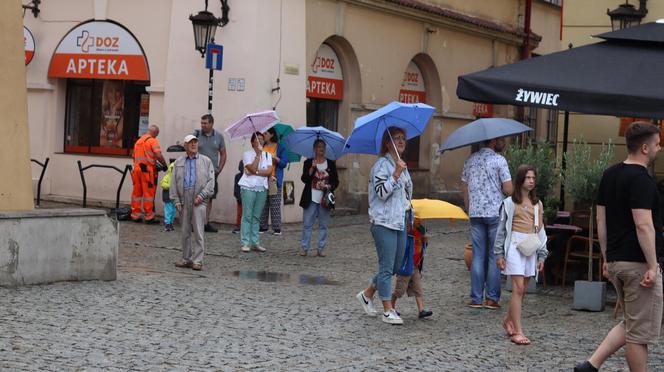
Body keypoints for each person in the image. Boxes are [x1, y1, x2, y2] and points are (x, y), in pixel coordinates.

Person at [575, 122, 663, 372]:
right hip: (638, 265)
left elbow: (601, 220)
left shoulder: (609, 174)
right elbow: (643, 225)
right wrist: (653, 265)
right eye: (657, 144)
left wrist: (607, 257)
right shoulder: (642, 180)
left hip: (616, 262)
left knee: (633, 323)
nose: (660, 147)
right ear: (645, 148)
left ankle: (590, 366)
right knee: (639, 334)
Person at [356, 127, 413, 325]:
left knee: (395, 266)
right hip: (383, 222)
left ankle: (367, 294)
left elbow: (405, 196)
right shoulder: (382, 165)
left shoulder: (401, 165)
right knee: (387, 267)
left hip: (399, 222)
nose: (401, 141)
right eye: (396, 138)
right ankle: (388, 310)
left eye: (403, 138)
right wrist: (396, 175)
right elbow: (381, 192)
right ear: (387, 143)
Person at [494, 165, 547, 346]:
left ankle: (508, 320)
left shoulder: (537, 204)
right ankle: (518, 331)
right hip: (515, 246)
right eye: (528, 178)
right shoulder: (509, 203)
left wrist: (542, 255)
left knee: (522, 289)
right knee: (517, 288)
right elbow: (501, 230)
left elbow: (540, 232)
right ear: (520, 180)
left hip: (530, 246)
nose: (531, 181)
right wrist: (499, 253)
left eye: (533, 178)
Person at [462, 136, 513, 309]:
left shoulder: (470, 160)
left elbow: (465, 187)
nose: (503, 142)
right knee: (494, 255)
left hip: (475, 213)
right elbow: (508, 189)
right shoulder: (499, 160)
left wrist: (469, 208)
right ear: (493, 141)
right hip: (494, 213)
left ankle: (476, 298)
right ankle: (491, 298)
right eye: (501, 140)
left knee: (477, 255)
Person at [171, 135, 215, 271]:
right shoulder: (178, 162)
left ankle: (198, 260)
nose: (194, 144)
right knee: (185, 231)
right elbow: (173, 182)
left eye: (195, 142)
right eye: (190, 142)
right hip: (184, 199)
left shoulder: (206, 161)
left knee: (198, 231)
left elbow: (211, 182)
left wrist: (201, 196)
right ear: (185, 146)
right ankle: (186, 258)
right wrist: (176, 200)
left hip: (199, 199)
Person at [299, 139, 339, 257]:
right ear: (314, 149)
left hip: (325, 198)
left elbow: (336, 182)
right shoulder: (308, 162)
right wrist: (312, 168)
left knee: (323, 225)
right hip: (310, 197)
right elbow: (304, 179)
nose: (321, 149)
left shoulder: (331, 163)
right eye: (319, 147)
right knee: (307, 224)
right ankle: (305, 248)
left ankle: (321, 248)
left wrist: (328, 186)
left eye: (323, 147)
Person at [391, 217, 433, 319]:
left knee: (418, 288)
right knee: (399, 290)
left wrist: (425, 241)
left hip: (415, 266)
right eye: (416, 219)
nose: (419, 221)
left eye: (420, 219)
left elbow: (422, 248)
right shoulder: (406, 231)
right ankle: (391, 307)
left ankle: (421, 310)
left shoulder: (422, 231)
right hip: (406, 265)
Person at [238, 132, 273, 253]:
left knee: (257, 216)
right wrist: (257, 156)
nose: (259, 141)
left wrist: (256, 172)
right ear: (252, 142)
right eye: (257, 139)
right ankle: (245, 242)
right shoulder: (247, 154)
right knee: (247, 215)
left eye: (261, 139)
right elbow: (251, 168)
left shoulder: (268, 155)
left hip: (262, 187)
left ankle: (255, 241)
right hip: (248, 186)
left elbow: (268, 171)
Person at [194, 114, 227, 233]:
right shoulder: (196, 135)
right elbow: (188, 148)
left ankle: (205, 223)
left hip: (212, 173)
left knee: (209, 198)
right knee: (196, 196)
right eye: (201, 123)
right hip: (197, 171)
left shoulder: (219, 137)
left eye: (205, 123)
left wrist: (219, 169)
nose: (202, 125)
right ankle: (196, 223)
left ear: (211, 123)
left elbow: (223, 153)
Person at [130, 125, 167, 223]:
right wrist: (164, 165)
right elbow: (158, 155)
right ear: (155, 133)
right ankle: (149, 216)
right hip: (147, 171)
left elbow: (134, 157)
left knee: (137, 193)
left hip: (136, 170)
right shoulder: (152, 141)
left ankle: (135, 215)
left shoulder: (138, 141)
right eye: (156, 135)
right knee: (148, 194)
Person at [260, 127, 288, 235]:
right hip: (263, 178)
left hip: (274, 178)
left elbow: (284, 163)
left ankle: (277, 228)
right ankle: (263, 226)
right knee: (263, 203)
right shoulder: (263, 147)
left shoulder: (280, 148)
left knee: (275, 203)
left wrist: (276, 159)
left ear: (271, 135)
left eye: (265, 133)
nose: (264, 135)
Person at [160, 161, 176, 231]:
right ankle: (167, 224)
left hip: (174, 197)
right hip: (167, 197)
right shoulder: (167, 177)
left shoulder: (176, 178)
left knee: (173, 211)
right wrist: (170, 186)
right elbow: (162, 184)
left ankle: (171, 223)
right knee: (168, 210)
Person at [232, 160, 243, 234]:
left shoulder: (249, 176)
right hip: (240, 198)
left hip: (248, 198)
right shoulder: (237, 176)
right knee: (239, 213)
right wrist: (238, 197)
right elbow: (236, 188)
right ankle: (238, 226)